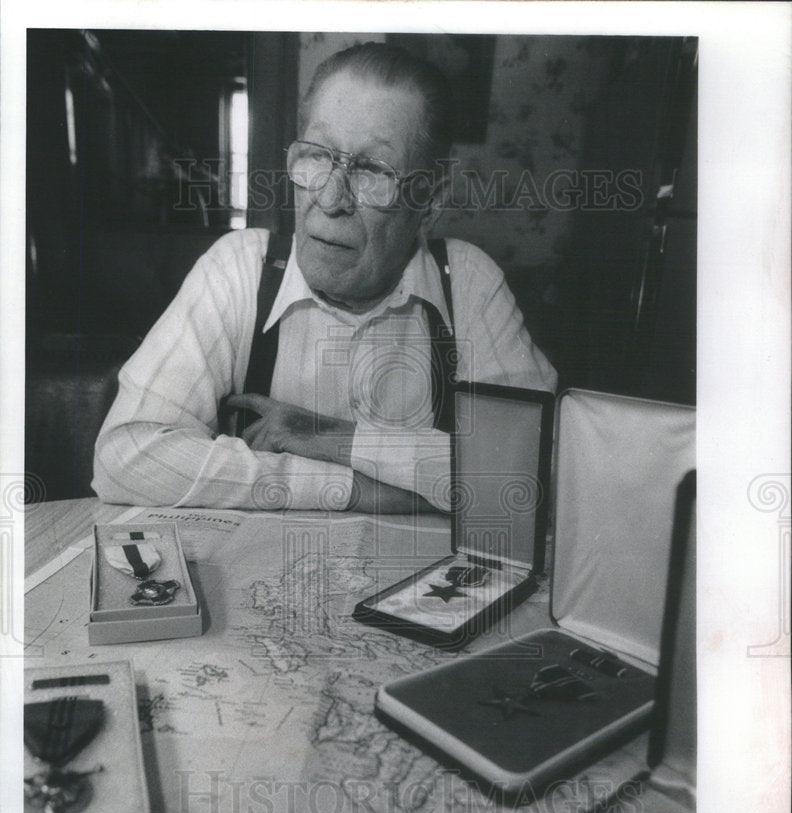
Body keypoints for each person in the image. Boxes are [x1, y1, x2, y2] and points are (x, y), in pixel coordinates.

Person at [92, 42, 557, 513]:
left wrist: (334, 439)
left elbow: (536, 469)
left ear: (429, 202)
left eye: (373, 169)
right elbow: (126, 456)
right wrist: (359, 488)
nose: (332, 200)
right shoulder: (239, 268)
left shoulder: (467, 280)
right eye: (317, 156)